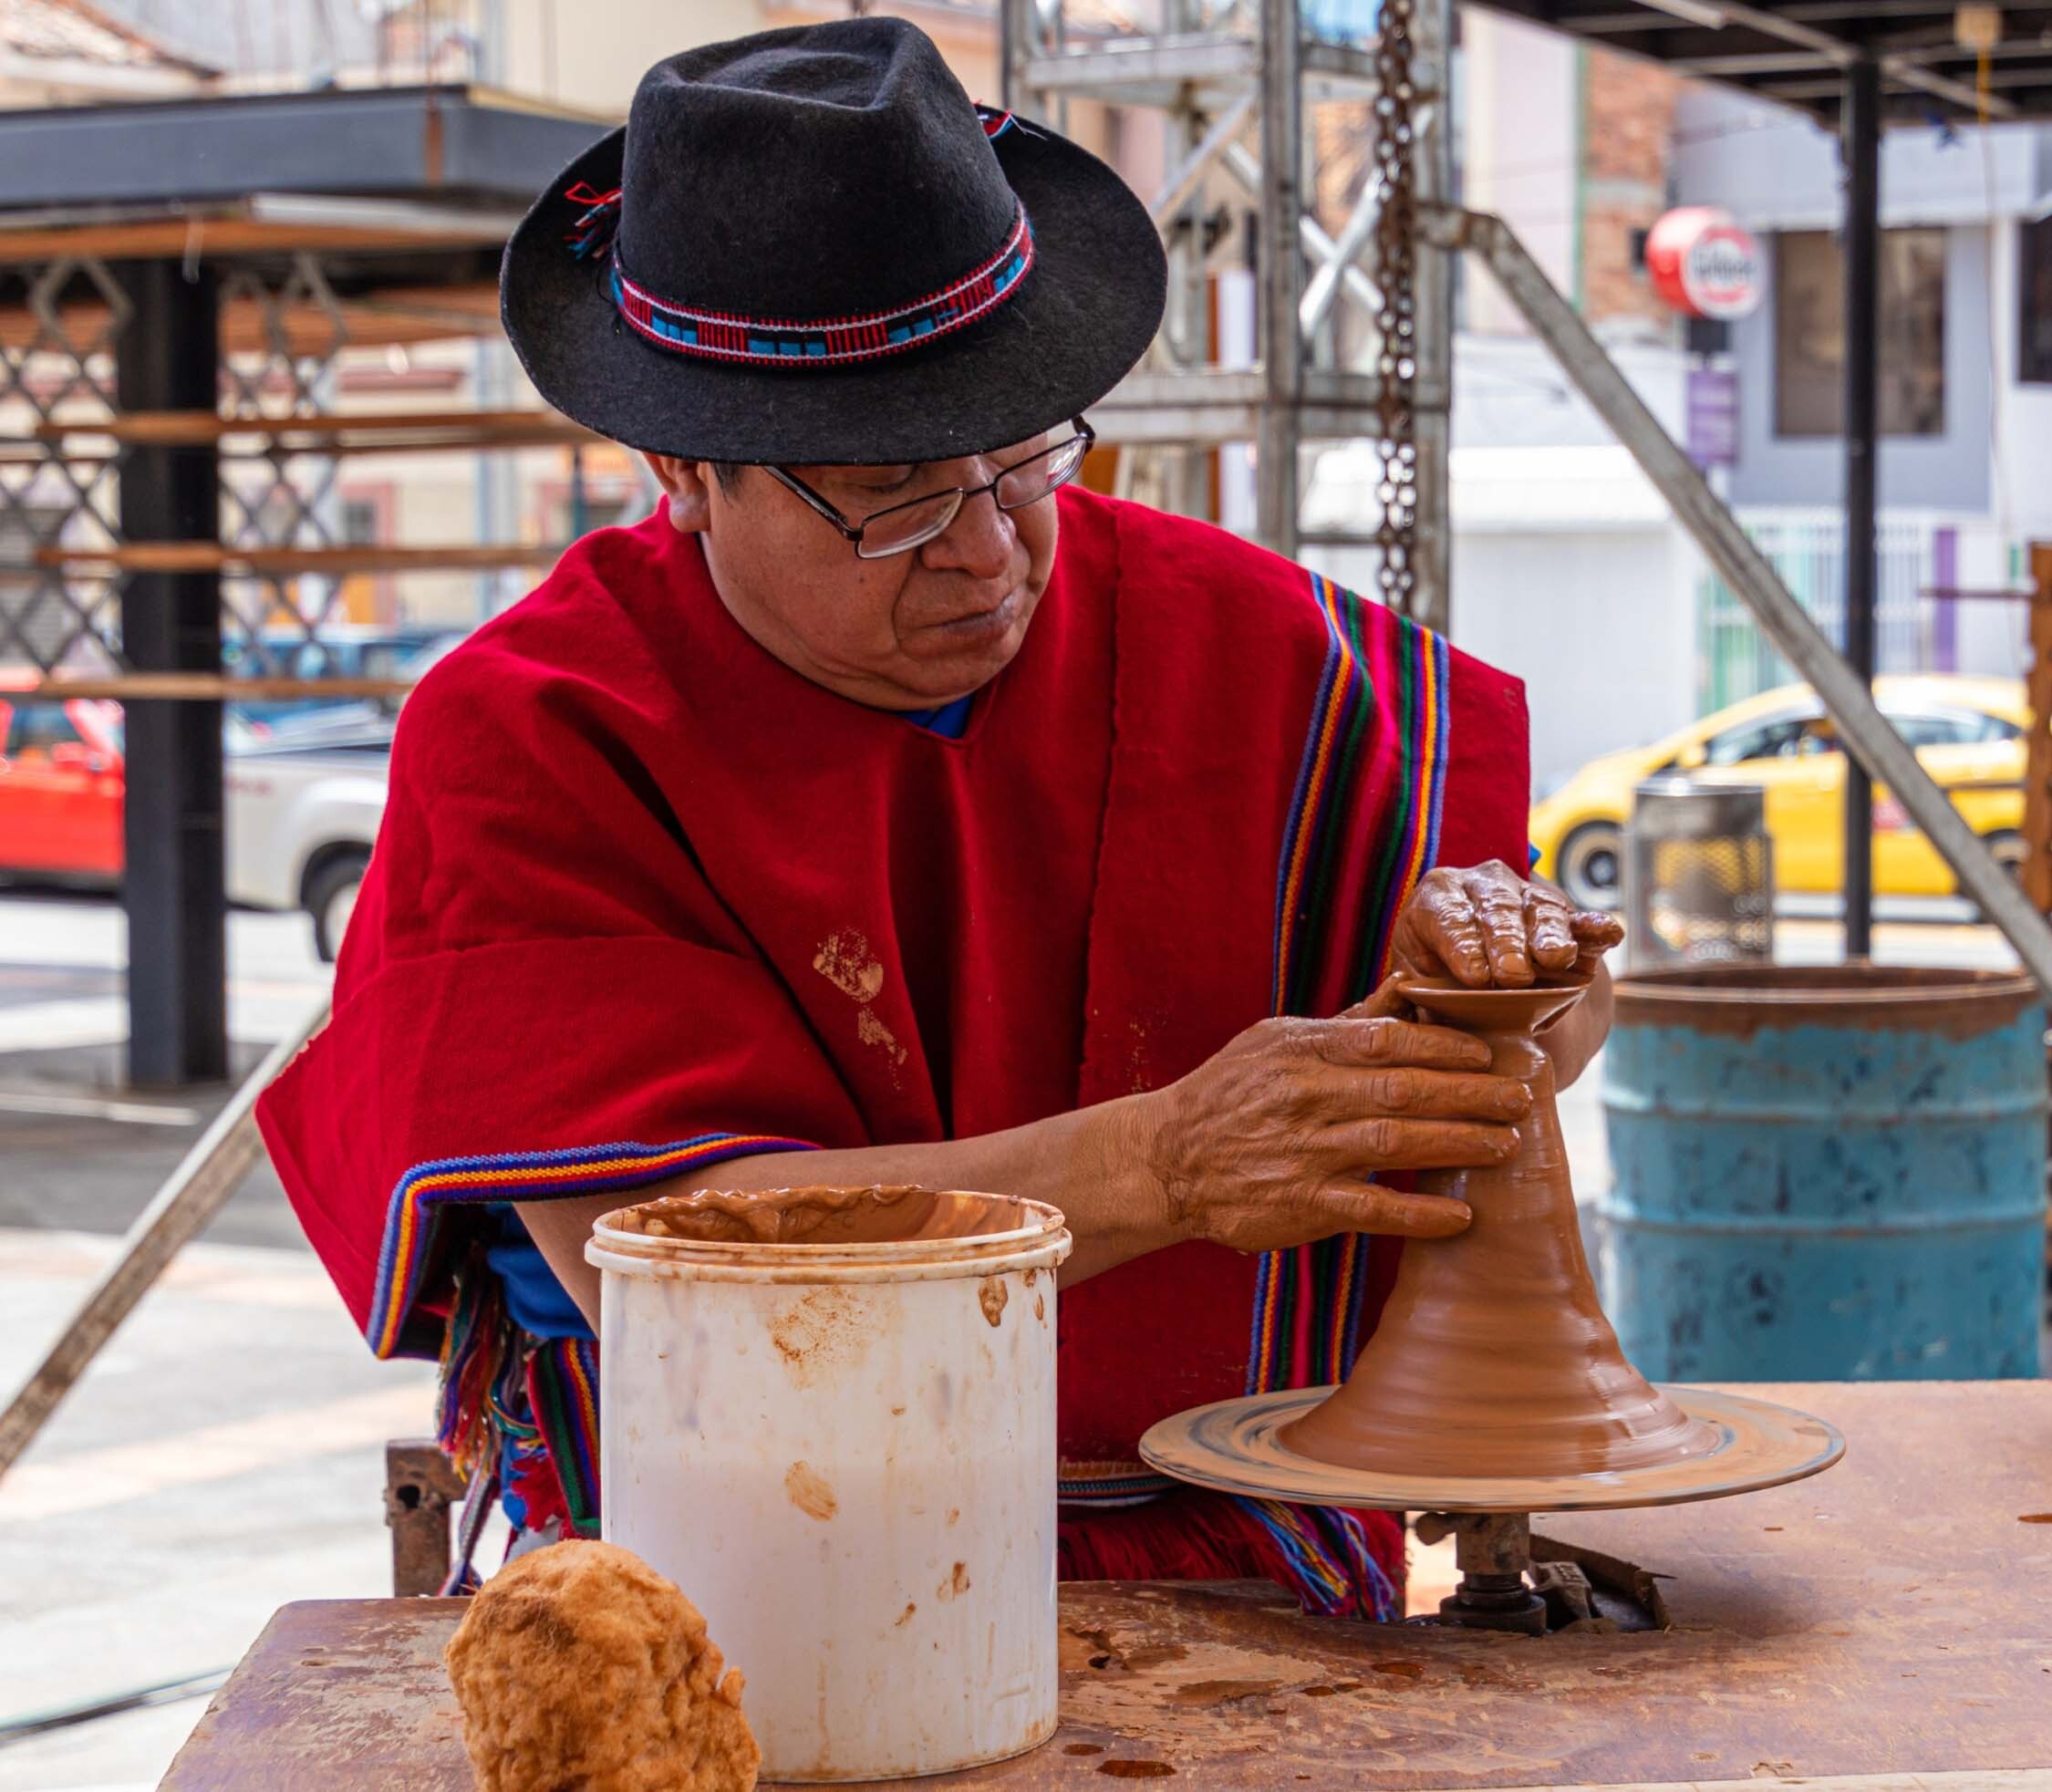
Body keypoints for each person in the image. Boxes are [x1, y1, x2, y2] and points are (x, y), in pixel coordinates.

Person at [257, 16, 1620, 1612]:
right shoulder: (537, 732)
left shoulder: (1261, 653)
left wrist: (1515, 988)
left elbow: (1537, 1004)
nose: (986, 551)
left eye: (1021, 458)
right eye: (893, 493)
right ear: (681, 469)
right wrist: (1164, 1160)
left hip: (1245, 1529)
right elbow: (671, 1258)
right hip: (733, 1545)